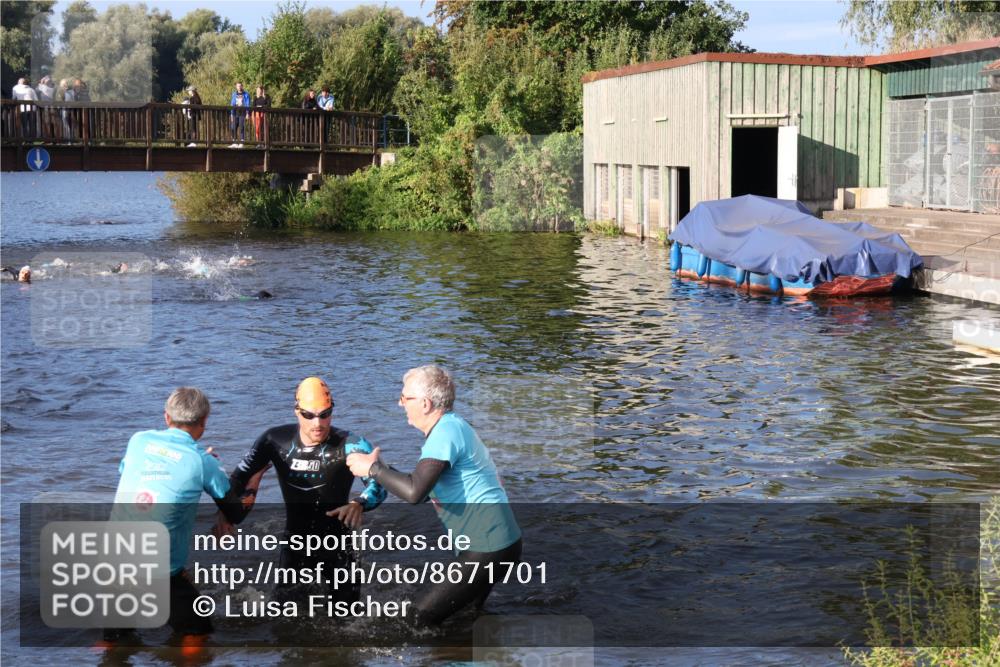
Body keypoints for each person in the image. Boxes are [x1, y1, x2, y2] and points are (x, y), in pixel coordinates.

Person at [346, 365, 522, 626]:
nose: (400, 403)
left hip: (488, 547)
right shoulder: (449, 428)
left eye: (405, 398)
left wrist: (372, 469)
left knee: (416, 621)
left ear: (425, 403)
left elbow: (415, 493)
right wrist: (380, 469)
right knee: (464, 621)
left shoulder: (445, 434)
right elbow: (423, 486)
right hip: (498, 544)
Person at [223, 377, 386, 603]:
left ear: (332, 411)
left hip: (338, 544)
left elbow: (380, 483)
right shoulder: (273, 440)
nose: (317, 423)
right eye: (309, 415)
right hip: (295, 542)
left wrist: (359, 503)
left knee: (349, 620)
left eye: (325, 414)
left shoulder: (350, 444)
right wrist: (225, 513)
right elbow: (239, 477)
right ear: (297, 412)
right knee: (283, 612)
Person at [110, 388, 253, 644]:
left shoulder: (138, 440)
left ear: (167, 417)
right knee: (198, 633)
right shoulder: (202, 462)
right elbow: (236, 512)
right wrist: (251, 485)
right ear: (204, 423)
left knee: (116, 638)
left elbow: (132, 471)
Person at [229, 81, 250, 146]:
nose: (239, 87)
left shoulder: (246, 94)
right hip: (235, 112)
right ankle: (234, 141)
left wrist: (247, 113)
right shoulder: (234, 94)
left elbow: (248, 104)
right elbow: (232, 104)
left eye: (240, 86)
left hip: (243, 112)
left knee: (242, 127)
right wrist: (231, 114)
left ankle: (242, 141)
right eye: (238, 86)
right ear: (236, 87)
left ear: (242, 86)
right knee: (233, 127)